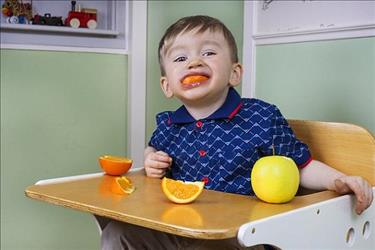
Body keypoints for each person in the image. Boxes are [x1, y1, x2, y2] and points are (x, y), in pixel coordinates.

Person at [101, 15, 373, 250]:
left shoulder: (260, 117)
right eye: (181, 58)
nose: (194, 62)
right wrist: (150, 159)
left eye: (208, 53)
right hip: (176, 228)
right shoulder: (168, 125)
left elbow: (300, 165)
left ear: (234, 73)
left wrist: (339, 180)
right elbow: (153, 149)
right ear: (167, 85)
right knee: (117, 233)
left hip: (238, 237)